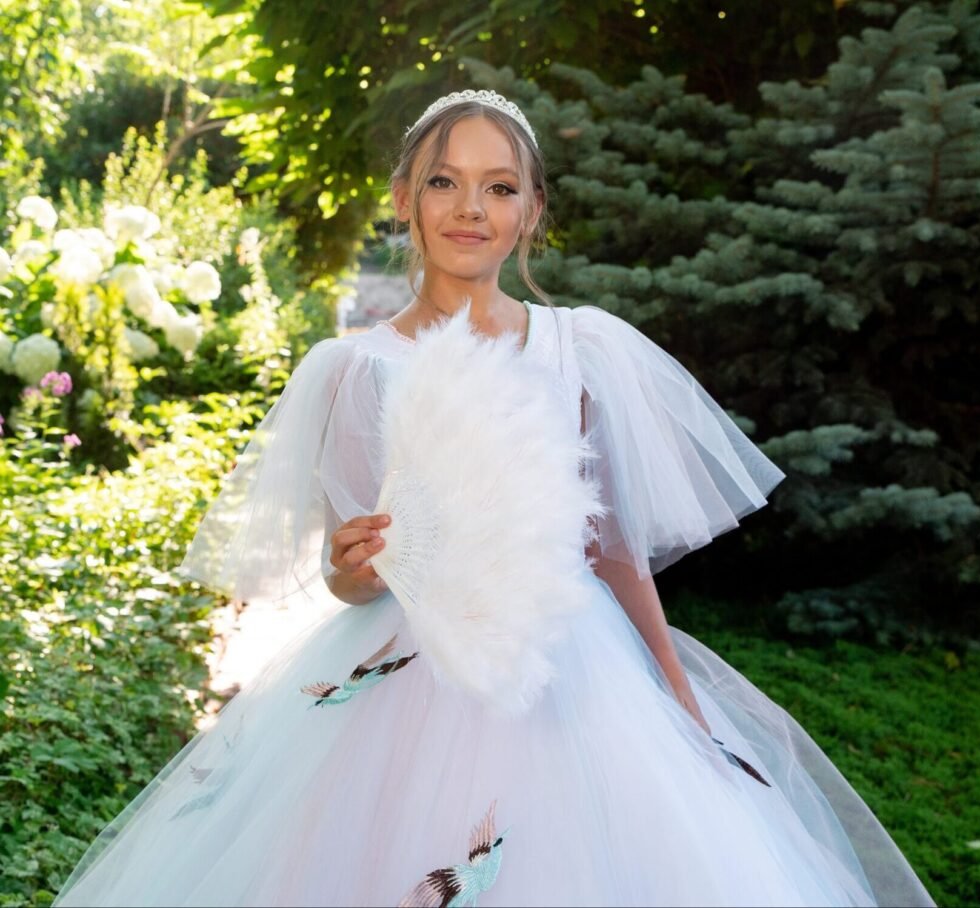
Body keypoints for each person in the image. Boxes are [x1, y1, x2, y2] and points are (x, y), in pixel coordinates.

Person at [54, 90, 935, 908]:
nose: (470, 208)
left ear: (532, 211)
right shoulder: (361, 369)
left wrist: (677, 693)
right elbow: (350, 570)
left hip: (571, 665)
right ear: (404, 200)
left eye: (500, 187)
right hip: (410, 670)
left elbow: (613, 551)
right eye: (444, 182)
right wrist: (353, 567)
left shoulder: (576, 351)